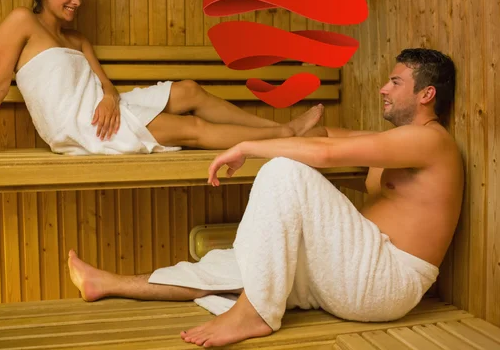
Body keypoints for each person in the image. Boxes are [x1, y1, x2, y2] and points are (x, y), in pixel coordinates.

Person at [67, 48, 464, 347]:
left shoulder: (430, 141)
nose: (383, 87)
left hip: (386, 282)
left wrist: (247, 147)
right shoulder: (392, 144)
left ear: (427, 93)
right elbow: (321, 138)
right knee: (245, 262)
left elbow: (324, 155)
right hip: (358, 273)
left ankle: (254, 312)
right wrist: (289, 133)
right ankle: (109, 283)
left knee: (284, 171)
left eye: (395, 82)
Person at [0, 0, 322, 157]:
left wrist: (107, 94)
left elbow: (102, 80)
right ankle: (284, 133)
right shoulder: (21, 22)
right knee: (191, 130)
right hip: (83, 128)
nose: (76, 1)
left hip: (108, 108)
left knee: (188, 90)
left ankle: (272, 128)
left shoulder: (77, 39)